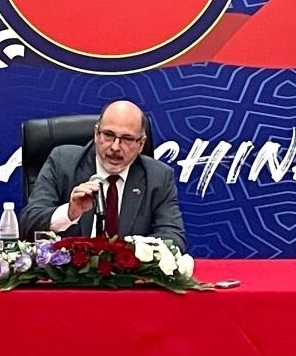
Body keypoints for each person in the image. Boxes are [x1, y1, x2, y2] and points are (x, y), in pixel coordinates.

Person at [19, 99, 186, 251]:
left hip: (129, 273)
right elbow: (28, 224)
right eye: (108, 135)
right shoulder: (62, 163)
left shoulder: (159, 177)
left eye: (127, 139)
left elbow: (173, 238)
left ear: (141, 144)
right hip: (70, 273)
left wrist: (131, 256)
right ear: (96, 133)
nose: (115, 147)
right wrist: (69, 213)